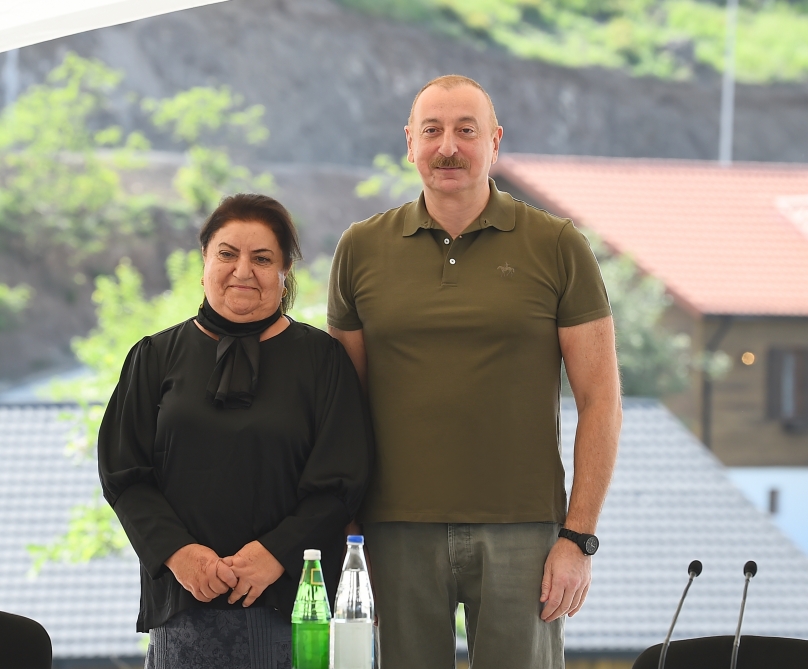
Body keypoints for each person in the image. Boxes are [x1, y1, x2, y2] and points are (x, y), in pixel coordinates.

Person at [328, 75, 622, 668]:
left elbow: (601, 402)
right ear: (409, 143)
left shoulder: (558, 244)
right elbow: (341, 407)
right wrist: (351, 537)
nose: (448, 147)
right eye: (432, 130)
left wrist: (577, 537)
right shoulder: (360, 248)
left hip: (526, 531)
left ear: (495, 141)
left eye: (466, 130)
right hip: (393, 531)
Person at [98, 194, 373, 669]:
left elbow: (342, 480)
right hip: (184, 600)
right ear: (204, 261)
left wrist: (275, 554)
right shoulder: (154, 356)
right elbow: (123, 473)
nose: (242, 271)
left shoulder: (323, 360)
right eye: (227, 254)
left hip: (292, 601)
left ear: (285, 271)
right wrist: (179, 554)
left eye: (262, 258)